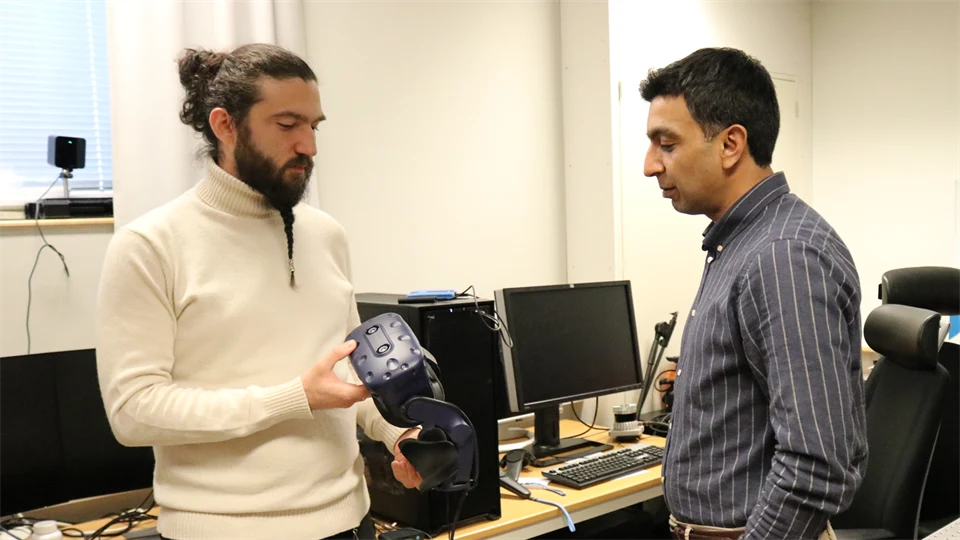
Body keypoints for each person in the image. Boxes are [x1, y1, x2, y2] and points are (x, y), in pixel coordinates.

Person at [96, 44, 422, 540]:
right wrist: (292, 398)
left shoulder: (326, 234)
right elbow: (134, 412)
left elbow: (349, 376)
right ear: (225, 125)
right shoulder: (149, 246)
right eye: (288, 125)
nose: (309, 146)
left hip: (350, 522)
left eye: (315, 126)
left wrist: (398, 434)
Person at [640, 47, 868, 540]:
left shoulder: (782, 256)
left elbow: (815, 467)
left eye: (667, 144)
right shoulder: (741, 243)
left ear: (730, 144)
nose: (649, 165)